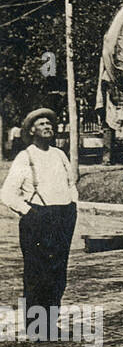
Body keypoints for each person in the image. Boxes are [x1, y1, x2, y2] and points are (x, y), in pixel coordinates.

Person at [1, 108, 79, 309]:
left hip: (63, 218)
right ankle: (37, 329)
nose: (47, 127)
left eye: (49, 123)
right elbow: (7, 193)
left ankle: (50, 326)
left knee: (57, 273)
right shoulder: (25, 157)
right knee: (37, 275)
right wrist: (29, 212)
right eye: (41, 124)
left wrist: (72, 204)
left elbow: (71, 183)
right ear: (32, 131)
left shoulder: (60, 154)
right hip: (37, 218)